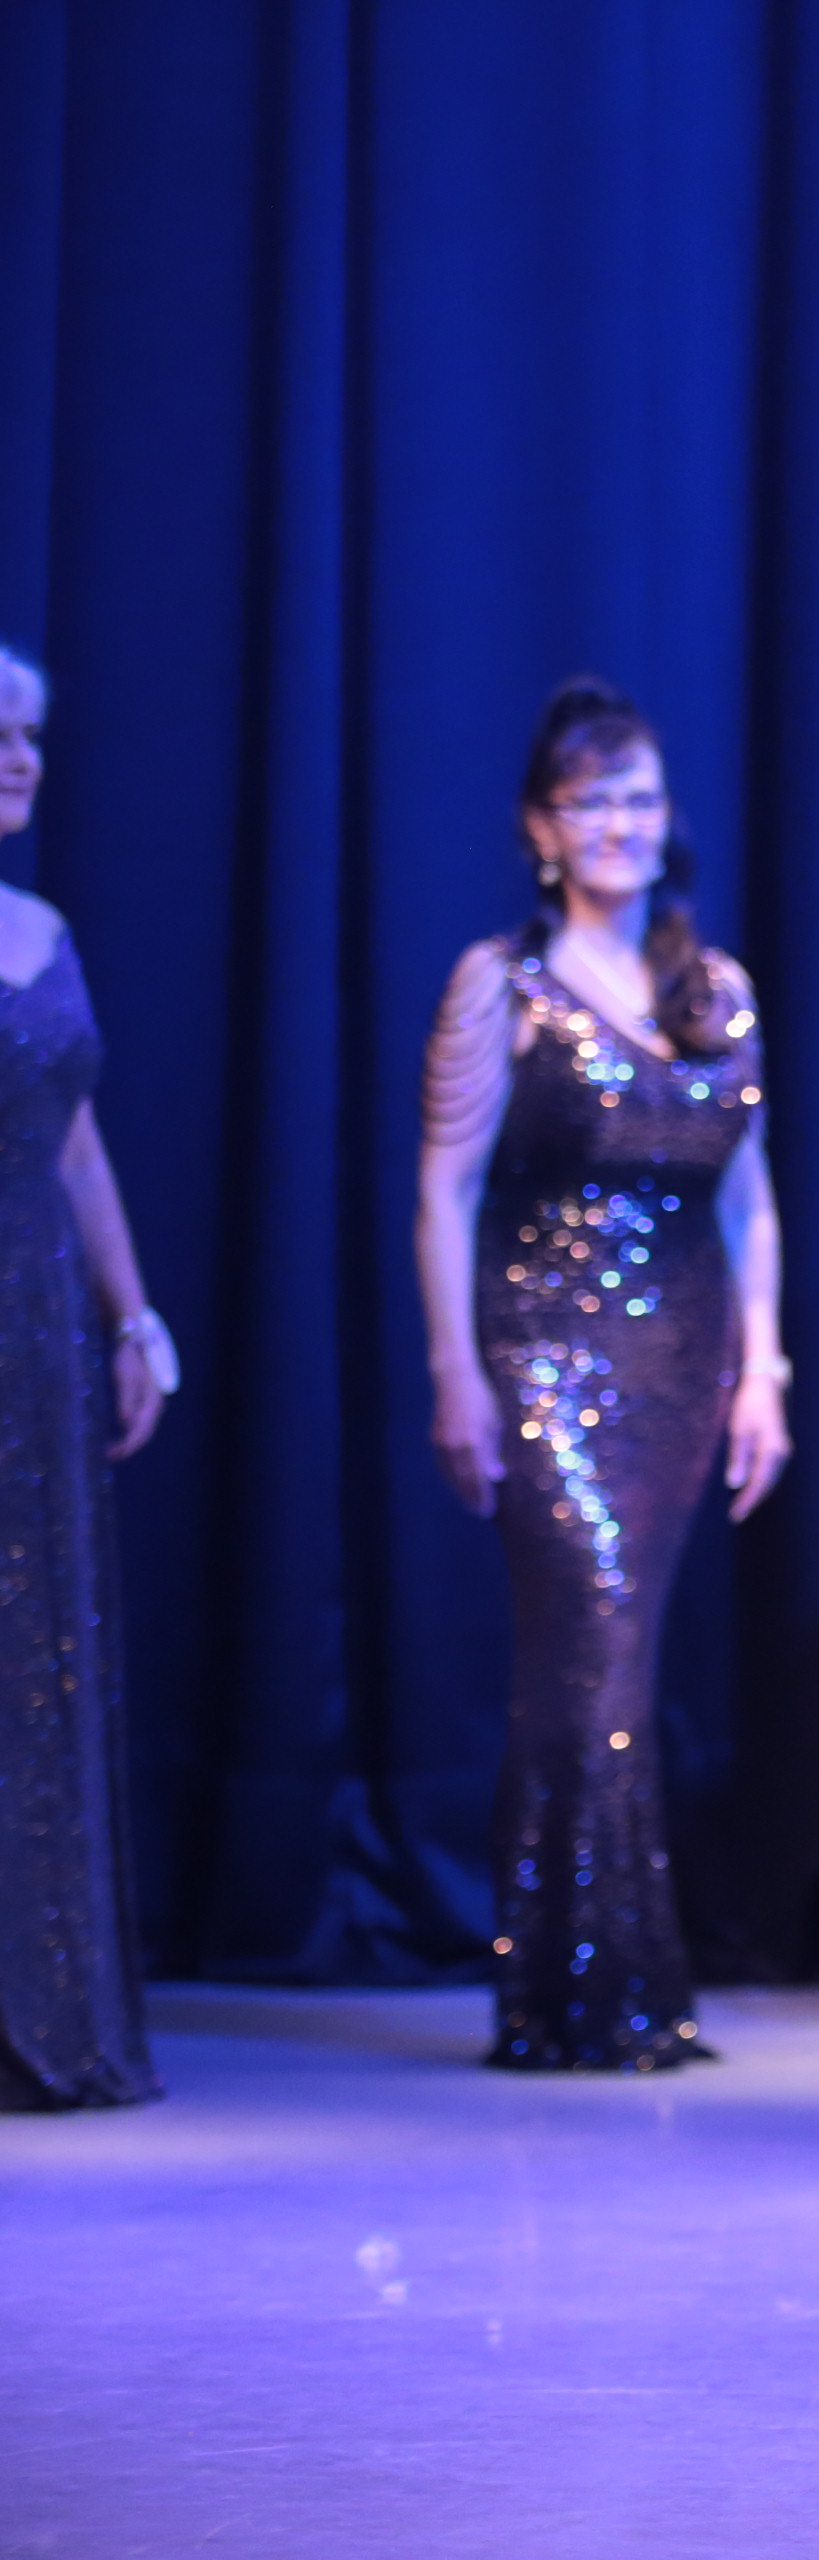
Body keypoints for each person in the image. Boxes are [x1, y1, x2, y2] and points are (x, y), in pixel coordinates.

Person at [416, 679, 788, 2072]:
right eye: (591, 802)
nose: (621, 823)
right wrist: (455, 1371)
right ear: (542, 827)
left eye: (640, 797)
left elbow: (750, 1199)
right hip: (543, 1353)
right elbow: (444, 1190)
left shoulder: (715, 989)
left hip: (685, 1360)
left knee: (620, 1658)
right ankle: (576, 1987)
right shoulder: (499, 984)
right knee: (589, 1646)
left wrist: (766, 1371)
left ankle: (607, 1985)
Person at [0, 643, 172, 2112]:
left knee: (35, 1658)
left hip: (39, 1328)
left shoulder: (43, 929)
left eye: (33, 734)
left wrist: (131, 1317)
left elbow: (74, 1139)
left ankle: (43, 2000)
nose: (21, 758)